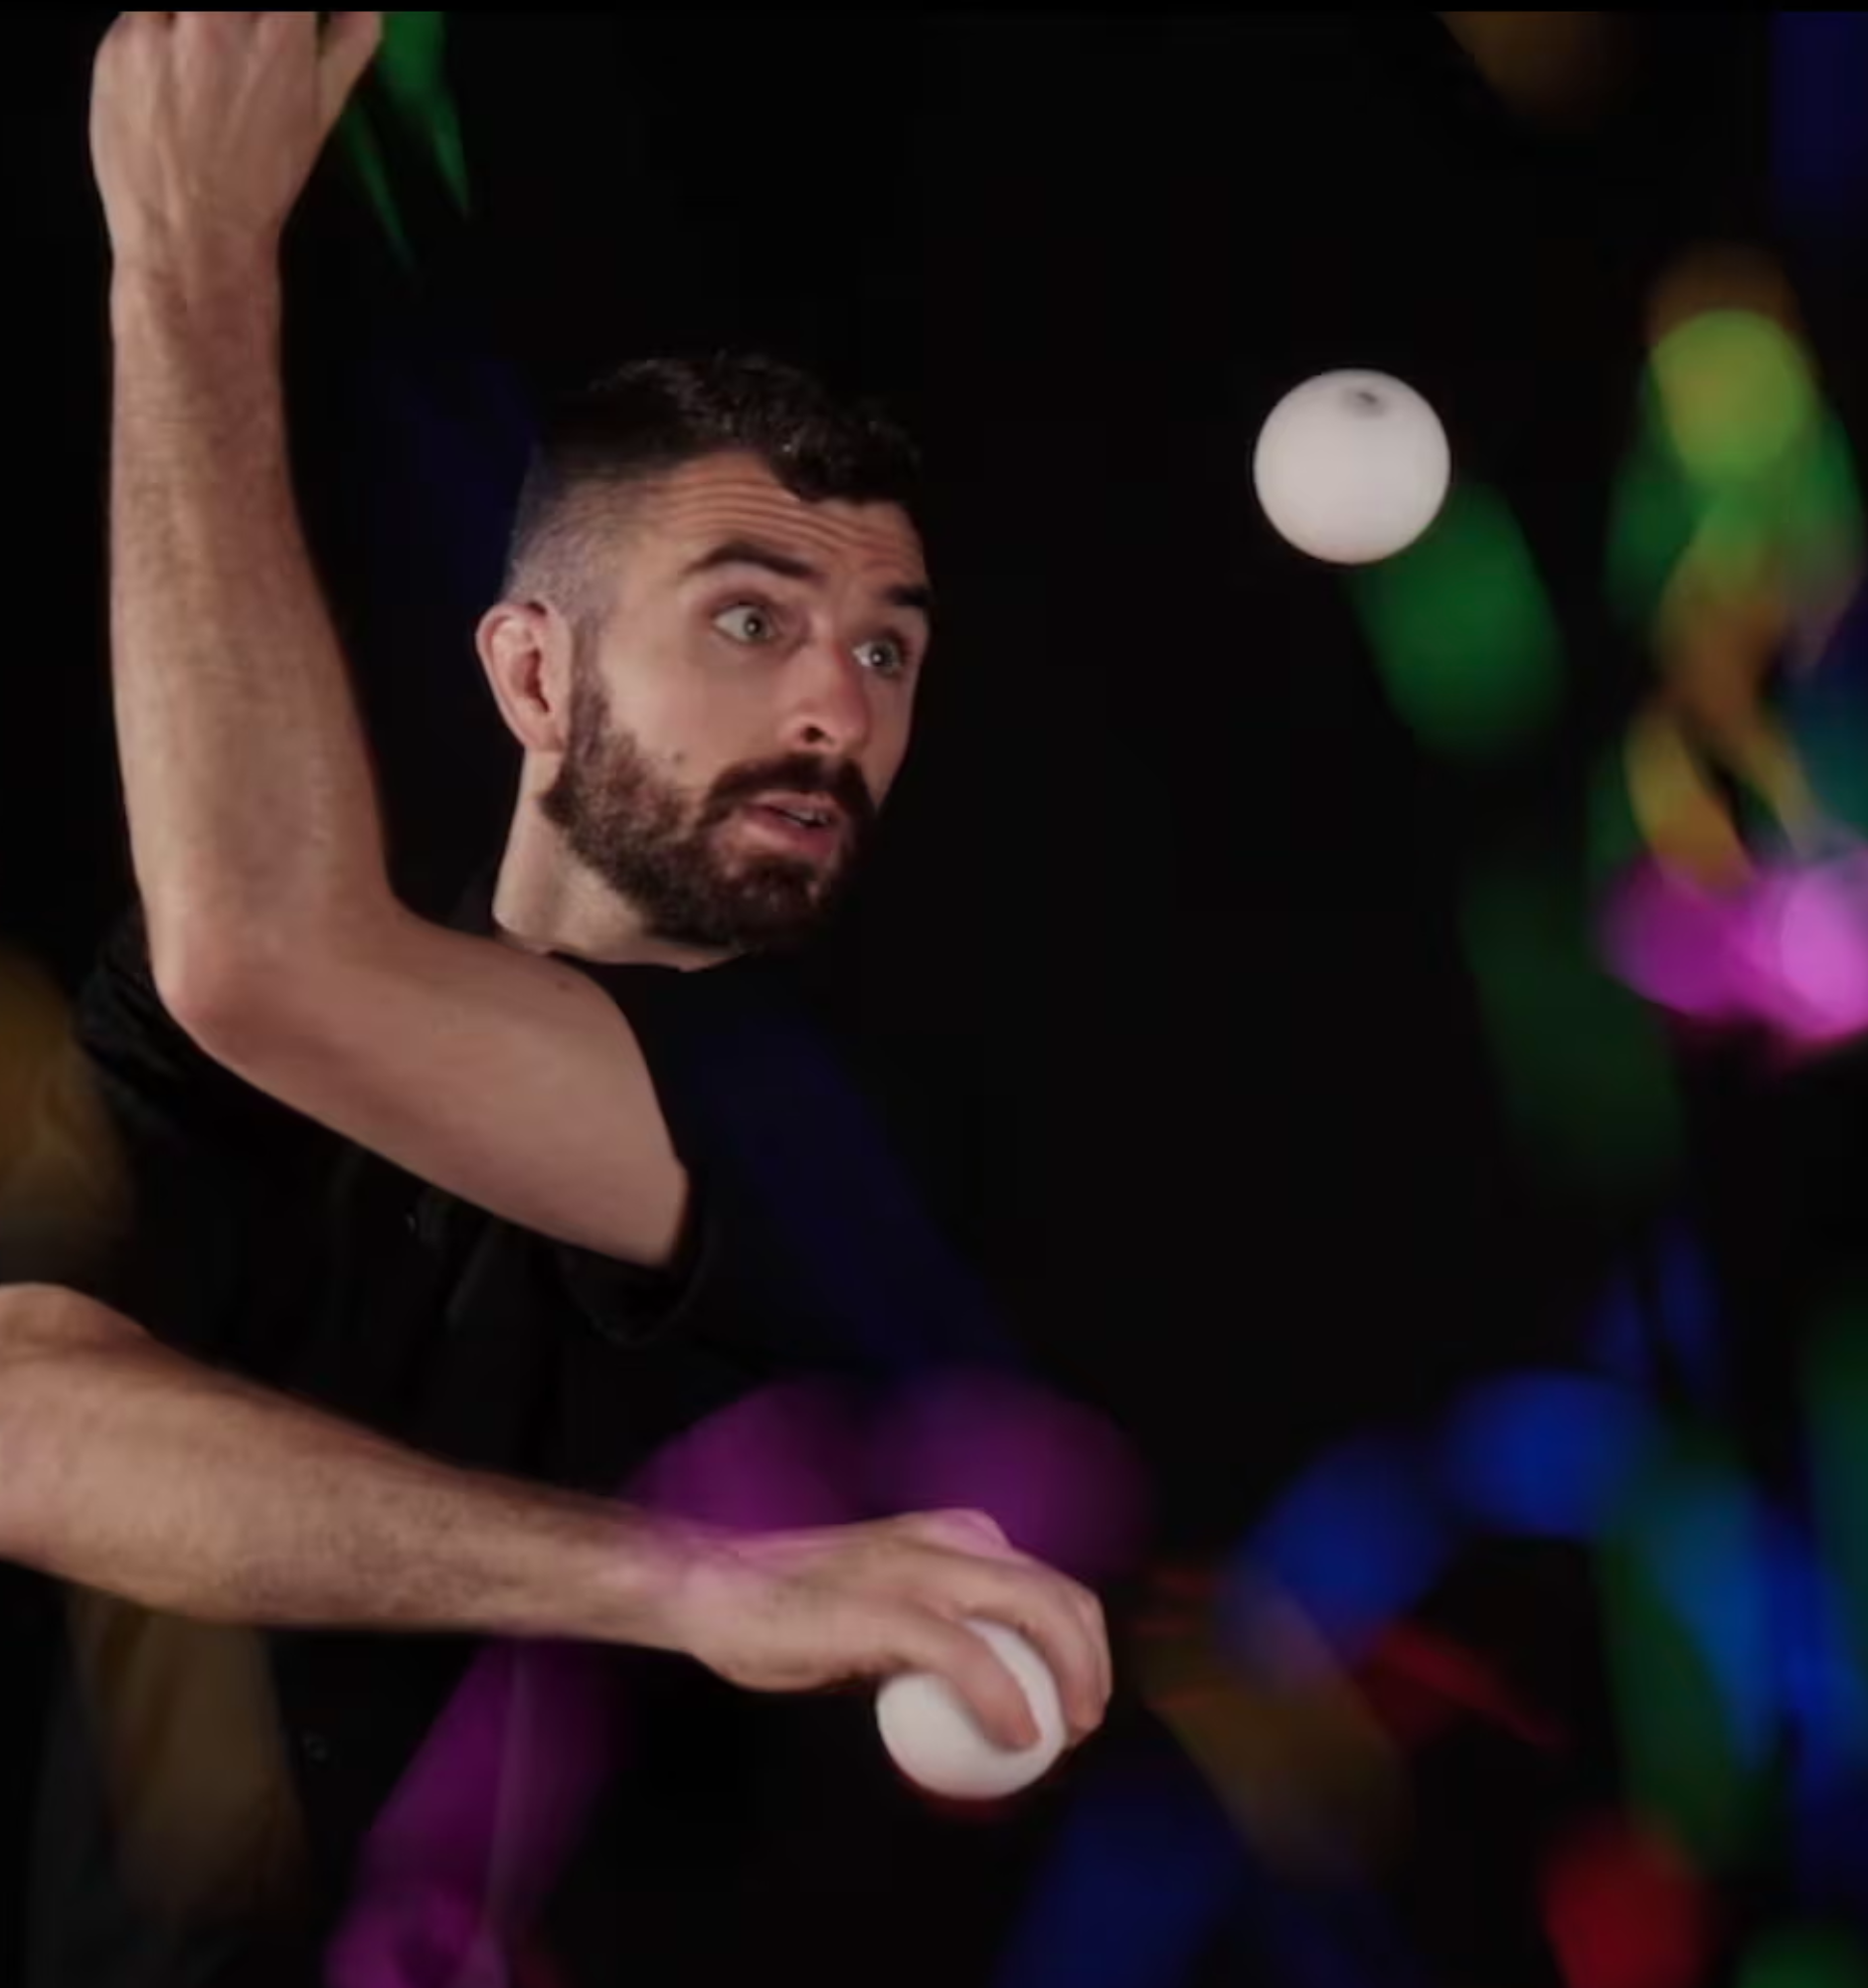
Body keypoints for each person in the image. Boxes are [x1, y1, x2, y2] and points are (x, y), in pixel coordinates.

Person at [5, 13, 1111, 1984]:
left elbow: (261, 950)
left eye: (887, 650)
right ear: (533, 674)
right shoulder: (223, 1030)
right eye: (753, 617)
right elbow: (26, 1428)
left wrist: (190, 260)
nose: (834, 705)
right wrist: (676, 1581)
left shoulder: (845, 1106)